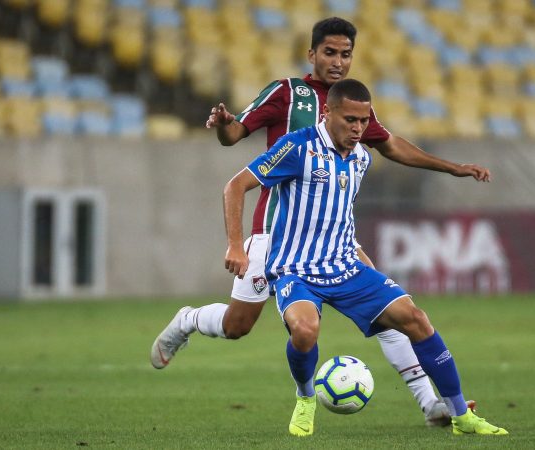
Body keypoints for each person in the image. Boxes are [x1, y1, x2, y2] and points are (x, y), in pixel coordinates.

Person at [150, 17, 491, 427]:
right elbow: (236, 133)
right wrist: (225, 126)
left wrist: (451, 168)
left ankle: (430, 404)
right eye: (330, 52)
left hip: (332, 237)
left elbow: (391, 145)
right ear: (312, 54)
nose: (338, 61)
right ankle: (188, 320)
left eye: (345, 54)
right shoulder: (286, 93)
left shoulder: (354, 106)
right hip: (275, 232)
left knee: (393, 313)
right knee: (238, 324)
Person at [223, 79, 508, 437]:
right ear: (328, 113)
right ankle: (306, 397)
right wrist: (235, 244)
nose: (358, 129)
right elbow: (236, 185)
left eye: (363, 121)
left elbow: (337, 212)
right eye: (350, 120)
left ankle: (459, 414)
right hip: (295, 268)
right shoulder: (297, 147)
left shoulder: (360, 158)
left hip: (344, 266)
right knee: (305, 330)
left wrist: (361, 260)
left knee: (415, 318)